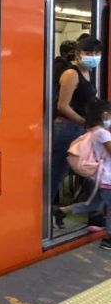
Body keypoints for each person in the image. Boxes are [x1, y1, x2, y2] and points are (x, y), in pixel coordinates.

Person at [51, 37, 102, 228]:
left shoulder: (88, 72)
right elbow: (62, 106)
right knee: (57, 174)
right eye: (89, 53)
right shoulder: (71, 74)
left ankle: (89, 215)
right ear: (78, 53)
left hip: (80, 129)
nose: (94, 57)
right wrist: (85, 122)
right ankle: (48, 214)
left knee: (93, 172)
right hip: (66, 128)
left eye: (97, 54)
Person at [59, 99, 111, 250]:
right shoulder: (103, 134)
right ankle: (108, 239)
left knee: (93, 204)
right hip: (107, 178)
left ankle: (62, 211)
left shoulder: (94, 131)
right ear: (105, 115)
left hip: (101, 179)